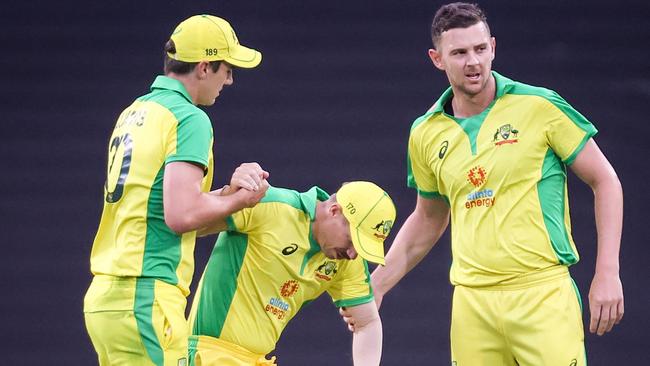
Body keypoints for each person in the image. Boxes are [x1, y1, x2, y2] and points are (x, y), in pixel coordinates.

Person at [341, 3, 624, 365]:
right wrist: (377, 286)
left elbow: (605, 181)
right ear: (437, 59)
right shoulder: (425, 132)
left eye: (479, 49)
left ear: (493, 46)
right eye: (459, 53)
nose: (472, 61)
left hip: (541, 295)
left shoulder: (539, 106)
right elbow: (429, 218)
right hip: (471, 304)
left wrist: (607, 273)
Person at [83, 14, 269, 366]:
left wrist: (229, 194)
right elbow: (181, 215)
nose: (229, 80)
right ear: (203, 67)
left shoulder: (137, 111)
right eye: (227, 69)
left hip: (107, 299)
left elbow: (159, 210)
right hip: (147, 296)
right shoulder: (189, 118)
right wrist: (242, 200)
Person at [187, 181, 397, 366]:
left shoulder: (345, 261)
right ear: (334, 210)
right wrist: (228, 192)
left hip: (258, 359)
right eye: (352, 241)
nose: (352, 254)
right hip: (206, 355)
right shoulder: (272, 205)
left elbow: (367, 322)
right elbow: (186, 219)